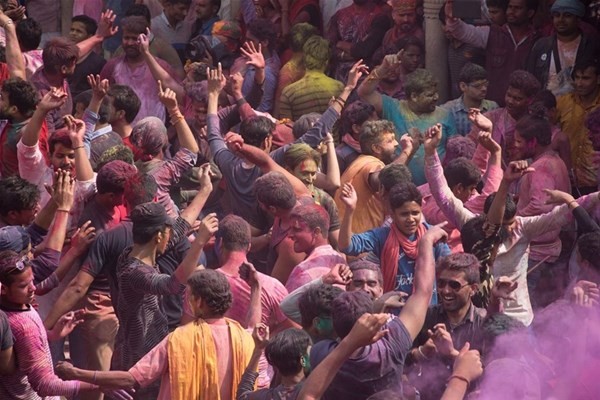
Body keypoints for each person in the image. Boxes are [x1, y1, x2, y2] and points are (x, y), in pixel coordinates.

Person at [55, 269, 255, 400]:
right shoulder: (245, 339)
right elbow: (256, 328)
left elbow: (130, 379)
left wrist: (76, 373)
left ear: (200, 301)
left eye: (189, 297)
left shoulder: (179, 339)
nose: (187, 302)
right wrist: (256, 288)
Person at [308, 225, 448, 399]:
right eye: (358, 284)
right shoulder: (393, 341)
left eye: (371, 284)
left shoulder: (322, 352)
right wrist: (426, 242)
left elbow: (309, 393)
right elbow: (423, 291)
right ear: (347, 286)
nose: (365, 290)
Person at [339, 179, 451, 294]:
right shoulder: (382, 237)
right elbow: (346, 246)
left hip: (429, 309)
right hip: (394, 310)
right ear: (392, 214)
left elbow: (449, 268)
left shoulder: (432, 236)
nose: (411, 219)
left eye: (415, 213)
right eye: (404, 214)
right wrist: (350, 209)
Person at [358, 65, 458, 185]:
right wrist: (382, 69)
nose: (436, 97)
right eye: (430, 95)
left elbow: (455, 151)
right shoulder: (393, 108)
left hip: (436, 190)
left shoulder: (445, 115)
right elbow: (364, 92)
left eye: (436, 93)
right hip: (399, 187)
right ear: (414, 96)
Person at [443, 0, 541, 105]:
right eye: (510, 7)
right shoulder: (492, 33)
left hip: (524, 107)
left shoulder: (538, 40)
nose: (511, 11)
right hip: (494, 106)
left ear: (530, 13)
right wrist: (451, 19)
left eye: (517, 8)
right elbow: (462, 31)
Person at [334, 120, 411, 234]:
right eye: (390, 141)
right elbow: (386, 179)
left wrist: (410, 150)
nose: (396, 143)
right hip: (360, 240)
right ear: (376, 148)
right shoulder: (371, 164)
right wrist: (407, 151)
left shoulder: (361, 161)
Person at [100, 15, 175, 124]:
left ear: (146, 39)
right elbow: (100, 98)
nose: (129, 43)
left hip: (153, 133)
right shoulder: (113, 66)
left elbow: (180, 101)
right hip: (121, 135)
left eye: (135, 39)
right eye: (126, 38)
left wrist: (171, 131)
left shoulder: (161, 67)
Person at [466, 69, 541, 165]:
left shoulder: (537, 126)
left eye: (517, 98)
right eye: (509, 95)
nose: (510, 101)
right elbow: (469, 148)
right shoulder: (489, 119)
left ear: (530, 100)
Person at [526, 0, 600, 96]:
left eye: (567, 15)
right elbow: (530, 79)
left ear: (578, 19)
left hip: (582, 106)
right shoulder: (541, 45)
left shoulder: (592, 46)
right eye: (557, 15)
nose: (561, 20)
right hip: (546, 105)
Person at [556, 59, 600, 196]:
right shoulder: (562, 103)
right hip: (566, 180)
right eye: (577, 78)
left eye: (586, 78)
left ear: (598, 79)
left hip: (595, 183)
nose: (579, 83)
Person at [278, 35, 344, 121]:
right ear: (326, 62)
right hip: (330, 134)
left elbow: (286, 129)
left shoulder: (288, 93)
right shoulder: (339, 88)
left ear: (304, 59)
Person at [237, 325, 312, 400]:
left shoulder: (267, 397)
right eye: (311, 352)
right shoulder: (316, 393)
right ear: (302, 360)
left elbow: (242, 396)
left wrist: (258, 349)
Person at [285, 204, 346, 292]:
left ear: (316, 232)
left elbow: (287, 304)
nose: (289, 234)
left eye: (296, 229)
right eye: (290, 229)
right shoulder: (340, 261)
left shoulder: (304, 270)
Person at [30, 37, 79, 133]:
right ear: (64, 69)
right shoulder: (42, 98)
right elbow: (48, 138)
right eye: (74, 63)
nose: (75, 66)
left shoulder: (54, 72)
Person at [442, 63, 499, 136]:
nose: (484, 89)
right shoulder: (449, 110)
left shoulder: (493, 108)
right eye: (478, 86)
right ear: (463, 86)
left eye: (485, 84)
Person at [67, 15, 107, 99]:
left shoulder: (98, 63)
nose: (73, 33)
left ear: (90, 36)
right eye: (72, 30)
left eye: (79, 31)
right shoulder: (64, 57)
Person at [335, 100, 376, 174]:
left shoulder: (379, 147)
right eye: (372, 125)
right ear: (356, 128)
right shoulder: (340, 154)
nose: (377, 128)